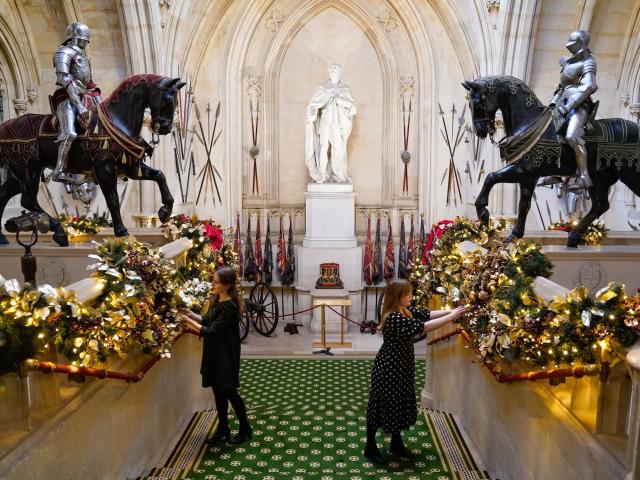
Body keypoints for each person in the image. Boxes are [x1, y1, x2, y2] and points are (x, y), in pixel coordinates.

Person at [364, 279, 467, 465]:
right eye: (407, 294)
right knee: (381, 405)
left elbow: (427, 314)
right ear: (398, 297)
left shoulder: (405, 310)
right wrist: (451, 317)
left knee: (399, 403)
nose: (411, 297)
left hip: (401, 367)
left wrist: (451, 311)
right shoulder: (394, 316)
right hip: (389, 368)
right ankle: (370, 447)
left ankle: (396, 443)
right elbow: (424, 326)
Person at [179, 266, 252, 445]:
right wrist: (191, 314)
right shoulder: (218, 299)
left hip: (225, 355)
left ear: (226, 285)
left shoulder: (230, 306)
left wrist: (188, 322)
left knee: (230, 392)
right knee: (218, 393)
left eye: (216, 282)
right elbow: (207, 320)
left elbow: (211, 331)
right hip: (215, 353)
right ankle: (223, 430)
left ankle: (245, 428)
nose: (213, 284)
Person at [51, 22, 101, 185]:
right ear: (74, 38)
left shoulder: (84, 57)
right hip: (66, 96)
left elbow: (90, 84)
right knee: (70, 133)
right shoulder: (63, 52)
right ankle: (58, 170)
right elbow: (63, 78)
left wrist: (101, 108)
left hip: (83, 96)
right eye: (84, 39)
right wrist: (79, 107)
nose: (87, 43)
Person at [549, 30, 597, 190]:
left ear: (581, 43)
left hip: (579, 105)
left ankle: (584, 177)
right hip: (562, 104)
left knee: (571, 136)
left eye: (573, 43)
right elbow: (560, 87)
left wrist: (569, 106)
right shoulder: (569, 63)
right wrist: (552, 103)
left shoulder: (588, 61)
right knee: (548, 133)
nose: (569, 47)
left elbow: (590, 86)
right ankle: (556, 172)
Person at [305, 63, 357, 183]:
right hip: (325, 121)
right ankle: (322, 175)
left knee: (338, 148)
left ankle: (339, 175)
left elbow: (353, 107)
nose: (334, 72)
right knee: (323, 147)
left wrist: (341, 101)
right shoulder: (322, 88)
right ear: (329, 72)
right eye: (332, 71)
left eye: (336, 70)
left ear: (340, 72)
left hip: (338, 124)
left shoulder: (345, 89)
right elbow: (312, 105)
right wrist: (311, 115)